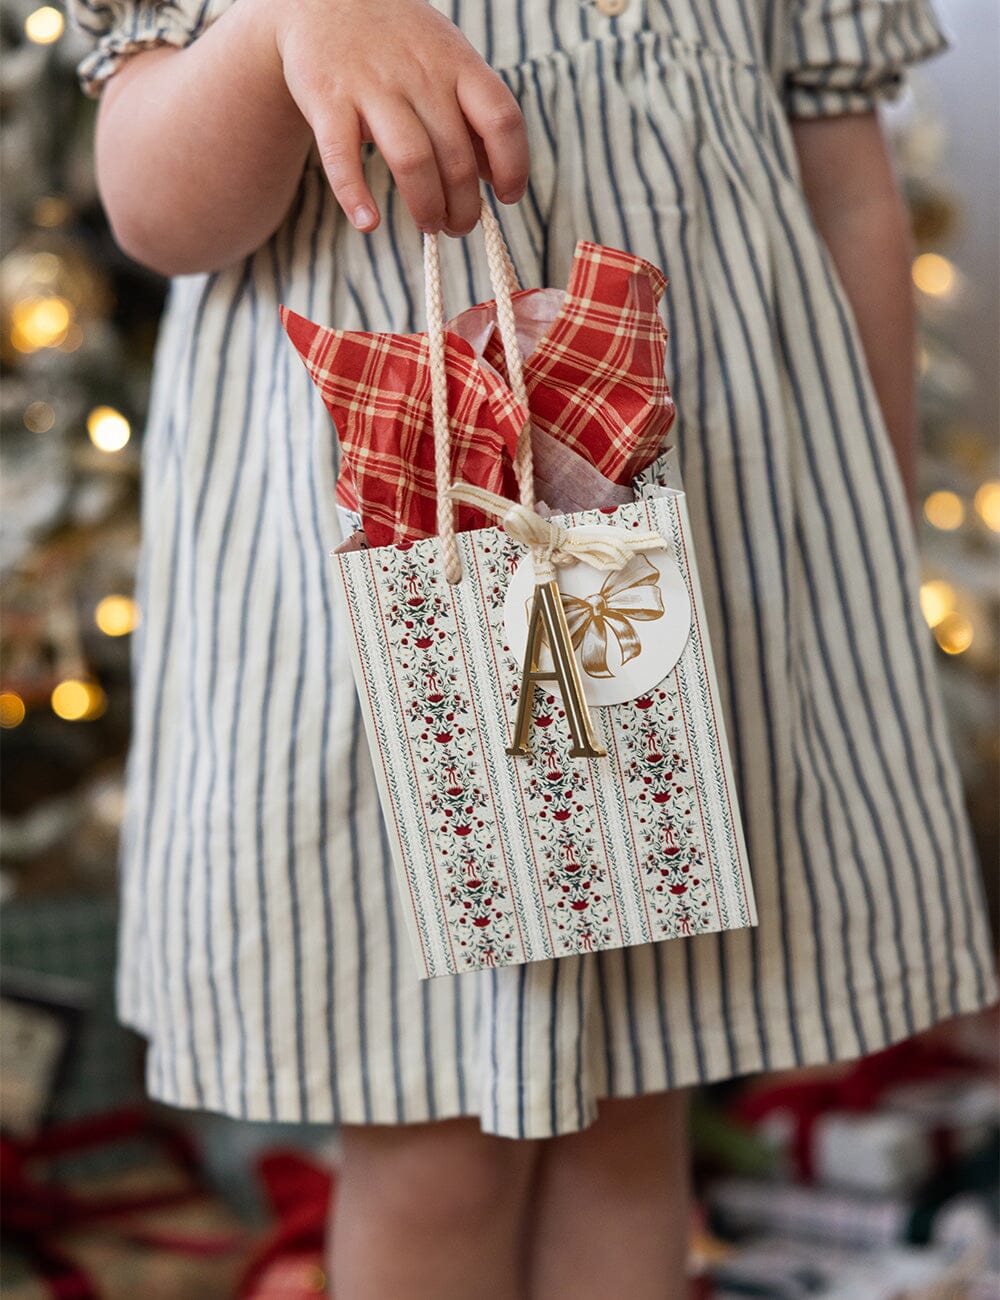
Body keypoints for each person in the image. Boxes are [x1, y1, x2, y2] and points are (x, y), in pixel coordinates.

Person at [69, 1, 998, 1297]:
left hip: (692, 586)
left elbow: (846, 191)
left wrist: (863, 543)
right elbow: (158, 212)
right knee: (434, 1149)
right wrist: (286, 29)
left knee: (631, 1128)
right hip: (373, 622)